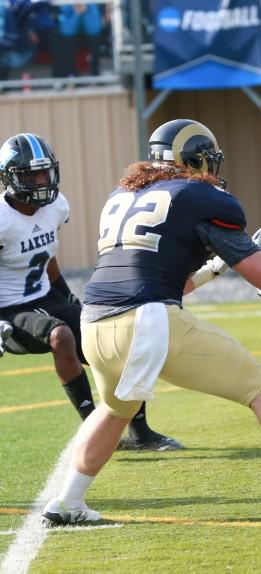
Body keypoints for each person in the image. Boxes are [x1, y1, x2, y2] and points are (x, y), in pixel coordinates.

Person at [41, 119, 261, 526]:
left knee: (114, 410)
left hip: (93, 325)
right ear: (195, 158)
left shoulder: (124, 194)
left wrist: (215, 269)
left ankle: (68, 502)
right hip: (145, 322)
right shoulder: (201, 196)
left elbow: (166, 280)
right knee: (259, 386)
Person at [0, 132, 179, 451]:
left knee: (111, 340)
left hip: (46, 296)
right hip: (9, 309)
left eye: (45, 172)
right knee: (61, 337)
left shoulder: (55, 206)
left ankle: (140, 432)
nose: (41, 180)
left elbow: (47, 254)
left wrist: (66, 294)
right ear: (10, 179)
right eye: (31, 174)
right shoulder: (2, 219)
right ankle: (93, 431)